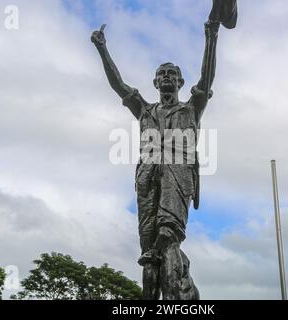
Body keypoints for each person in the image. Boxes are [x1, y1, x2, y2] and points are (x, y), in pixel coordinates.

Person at [91, 19, 220, 300]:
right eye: (161, 73)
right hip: (147, 177)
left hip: (178, 175)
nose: (166, 76)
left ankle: (178, 295)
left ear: (179, 81)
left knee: (168, 235)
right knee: (149, 252)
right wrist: (102, 49)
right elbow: (119, 86)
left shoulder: (191, 109)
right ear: (154, 81)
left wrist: (211, 36)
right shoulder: (145, 110)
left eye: (171, 73)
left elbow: (207, 79)